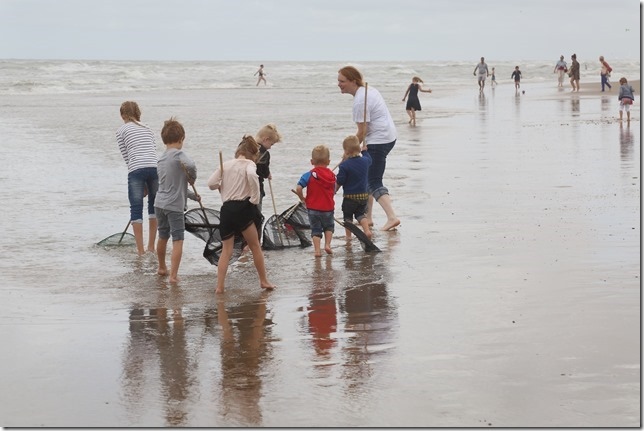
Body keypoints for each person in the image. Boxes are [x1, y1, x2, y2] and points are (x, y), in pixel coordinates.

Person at [207, 135, 276, 294]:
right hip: (243, 210)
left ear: (238, 151)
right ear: (253, 154)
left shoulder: (225, 165)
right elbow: (253, 176)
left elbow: (210, 183)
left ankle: (220, 287)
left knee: (227, 250)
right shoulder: (250, 164)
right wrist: (254, 198)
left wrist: (219, 185)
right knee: (255, 246)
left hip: (226, 210)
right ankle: (264, 281)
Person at [337, 65, 401, 231]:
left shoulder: (360, 101)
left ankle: (392, 217)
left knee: (373, 181)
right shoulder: (367, 90)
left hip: (378, 140)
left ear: (353, 81)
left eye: (342, 81)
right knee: (368, 177)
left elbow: (362, 131)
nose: (339, 84)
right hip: (388, 136)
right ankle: (368, 217)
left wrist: (347, 153)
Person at [154, 117, 200, 283]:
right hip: (174, 206)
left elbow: (174, 186)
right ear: (181, 139)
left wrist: (193, 196)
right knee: (178, 239)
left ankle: (161, 267)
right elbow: (192, 165)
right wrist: (192, 178)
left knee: (162, 236)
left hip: (159, 203)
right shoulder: (180, 155)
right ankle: (173, 276)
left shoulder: (161, 159)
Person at [116, 100, 159, 256]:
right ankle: (151, 247)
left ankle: (140, 251)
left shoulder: (121, 130)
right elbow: (152, 150)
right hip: (154, 168)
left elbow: (127, 157)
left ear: (122, 115)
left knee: (136, 209)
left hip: (136, 169)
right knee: (153, 207)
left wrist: (140, 183)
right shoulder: (148, 129)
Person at [295, 144, 336, 257]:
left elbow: (298, 188)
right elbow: (334, 189)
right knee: (329, 227)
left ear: (312, 161)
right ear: (328, 161)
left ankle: (317, 251)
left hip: (313, 208)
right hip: (328, 208)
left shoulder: (308, 175)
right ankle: (327, 245)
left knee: (316, 230)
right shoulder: (332, 176)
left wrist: (302, 198)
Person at [335, 135, 372, 240]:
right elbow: (369, 159)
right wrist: (365, 151)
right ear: (359, 148)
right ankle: (367, 231)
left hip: (350, 197)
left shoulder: (344, 166)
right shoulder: (365, 161)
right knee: (361, 215)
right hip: (363, 196)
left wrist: (334, 190)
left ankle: (348, 236)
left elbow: (340, 181)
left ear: (346, 152)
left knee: (348, 218)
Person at [255, 123, 282, 213]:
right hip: (256, 187)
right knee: (256, 213)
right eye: (271, 144)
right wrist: (268, 174)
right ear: (265, 139)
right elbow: (263, 170)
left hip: (241, 187)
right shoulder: (264, 154)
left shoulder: (245, 147)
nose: (270, 147)